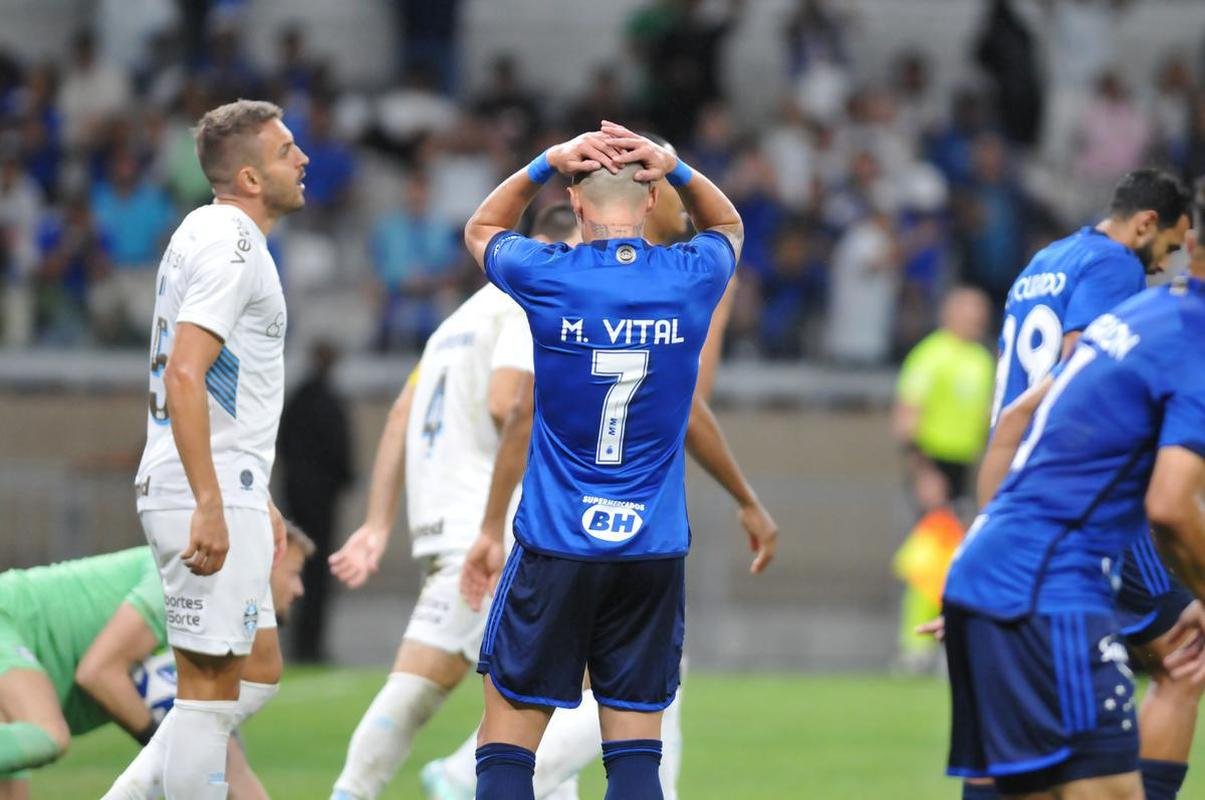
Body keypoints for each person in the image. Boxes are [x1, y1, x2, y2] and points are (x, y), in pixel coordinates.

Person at [421, 135, 773, 800]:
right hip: (650, 547)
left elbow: (482, 227)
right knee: (637, 752)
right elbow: (727, 223)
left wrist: (546, 161)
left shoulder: (550, 275)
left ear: (574, 204)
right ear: (648, 204)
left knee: (505, 748)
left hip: (556, 541)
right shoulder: (689, 277)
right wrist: (680, 168)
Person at [326, 204, 573, 800]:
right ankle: (452, 778)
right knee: (599, 688)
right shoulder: (526, 300)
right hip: (491, 529)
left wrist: (378, 523)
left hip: (442, 523)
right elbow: (505, 402)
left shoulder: (453, 322)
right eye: (570, 249)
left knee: (538, 691)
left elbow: (400, 418)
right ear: (540, 244)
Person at [967, 168, 1196, 800]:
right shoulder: (1116, 264)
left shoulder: (1046, 260)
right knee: (1186, 655)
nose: (1164, 266)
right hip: (1077, 493)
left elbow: (1016, 404)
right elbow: (1080, 367)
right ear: (1147, 224)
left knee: (1017, 687)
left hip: (1014, 486)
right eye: (1171, 247)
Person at [123, 98, 308, 799]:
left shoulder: (201, 232)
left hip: (226, 480)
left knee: (256, 668)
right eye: (287, 149)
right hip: (200, 486)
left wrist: (250, 493)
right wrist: (210, 500)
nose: (303, 157)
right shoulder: (234, 244)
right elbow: (185, 372)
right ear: (252, 179)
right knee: (205, 694)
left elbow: (221, 381)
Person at [0, 522, 312, 800]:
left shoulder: (218, 626)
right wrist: (167, 752)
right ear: (265, 559)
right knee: (48, 734)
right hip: (7, 619)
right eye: (295, 573)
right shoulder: (186, 578)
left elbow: (232, 770)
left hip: (21, 669)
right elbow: (98, 673)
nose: (299, 589)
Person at [277, 340, 354, 664]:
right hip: (320, 502)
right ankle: (309, 645)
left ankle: (300, 644)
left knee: (296, 568)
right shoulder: (328, 401)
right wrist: (342, 479)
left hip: (297, 497)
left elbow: (283, 445)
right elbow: (340, 452)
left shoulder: (299, 398)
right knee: (316, 574)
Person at [894, 286, 995, 505]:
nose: (977, 321)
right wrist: (923, 473)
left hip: (966, 462)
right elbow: (907, 414)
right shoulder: (930, 355)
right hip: (933, 460)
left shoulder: (982, 359)